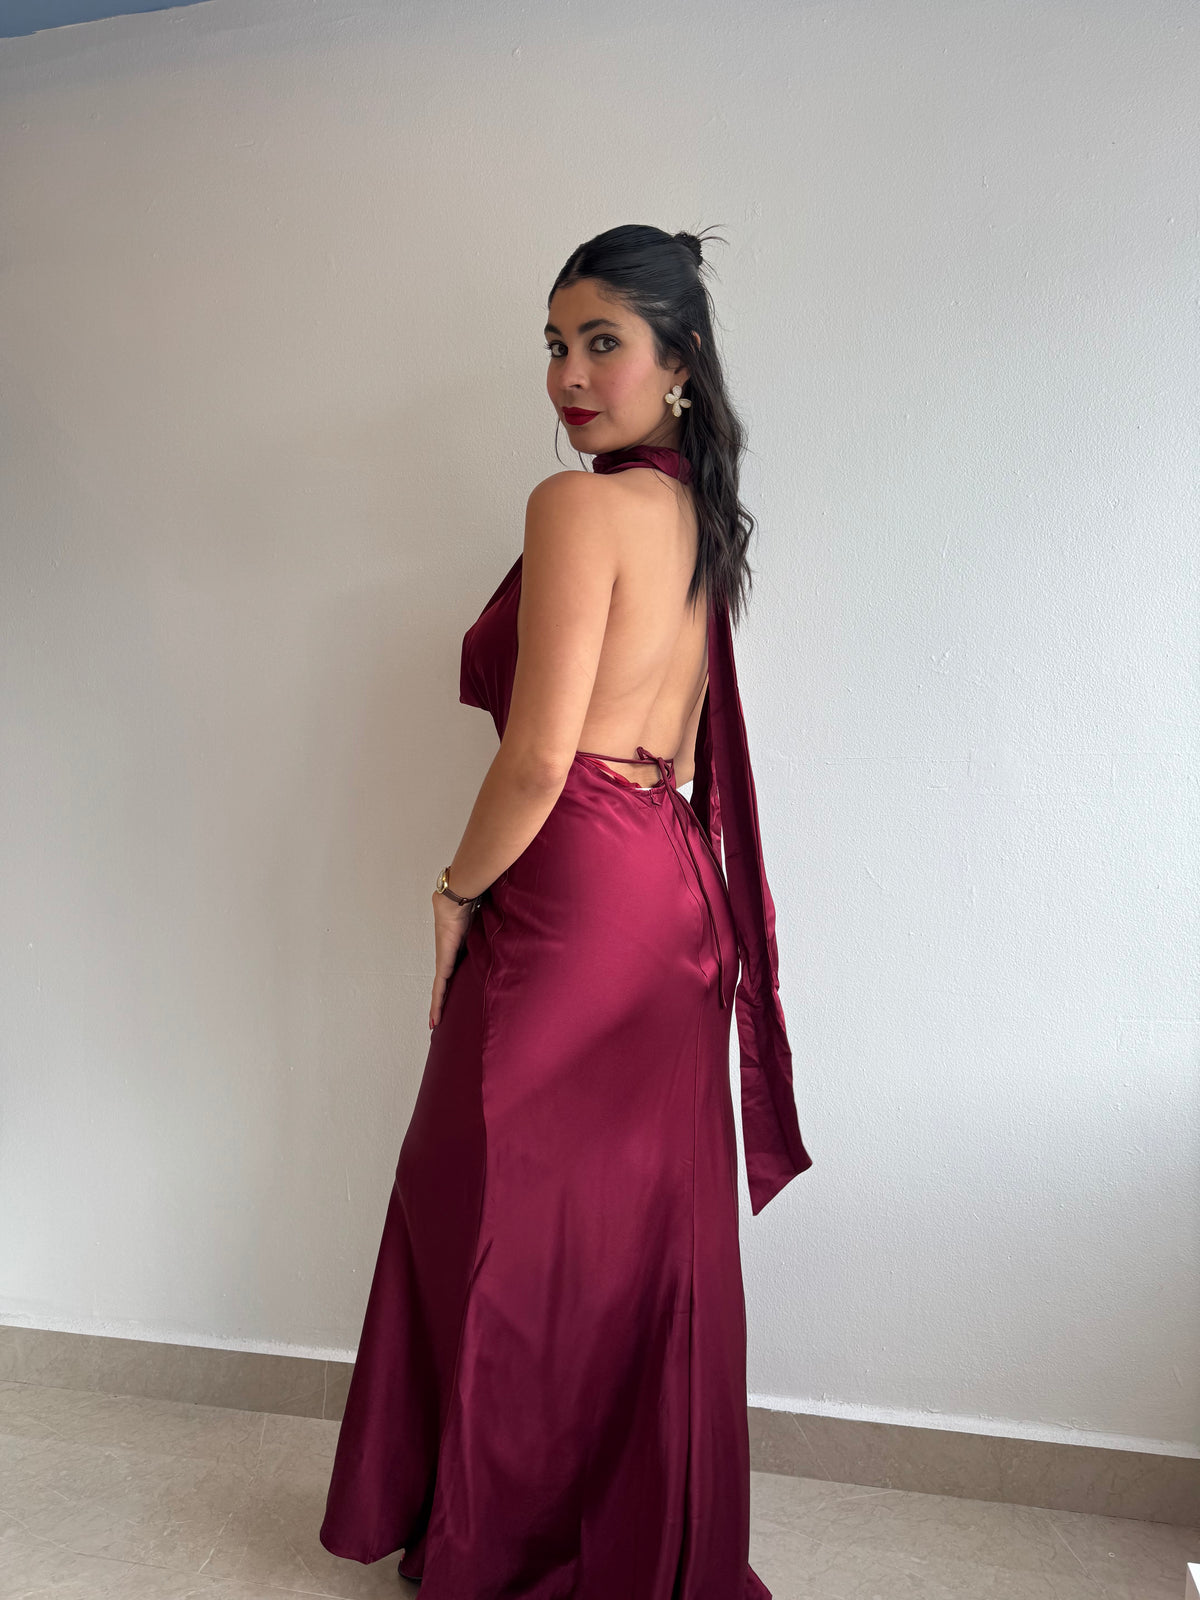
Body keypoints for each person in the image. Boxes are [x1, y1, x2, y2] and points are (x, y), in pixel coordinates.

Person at [318, 223, 813, 1600]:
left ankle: (502, 1542)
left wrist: (453, 890)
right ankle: (624, 1542)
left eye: (603, 343)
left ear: (680, 363)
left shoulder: (576, 511)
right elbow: (684, 746)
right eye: (555, 345)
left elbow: (541, 759)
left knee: (486, 1205)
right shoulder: (700, 526)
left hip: (576, 880)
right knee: (629, 1230)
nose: (570, 376)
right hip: (673, 884)